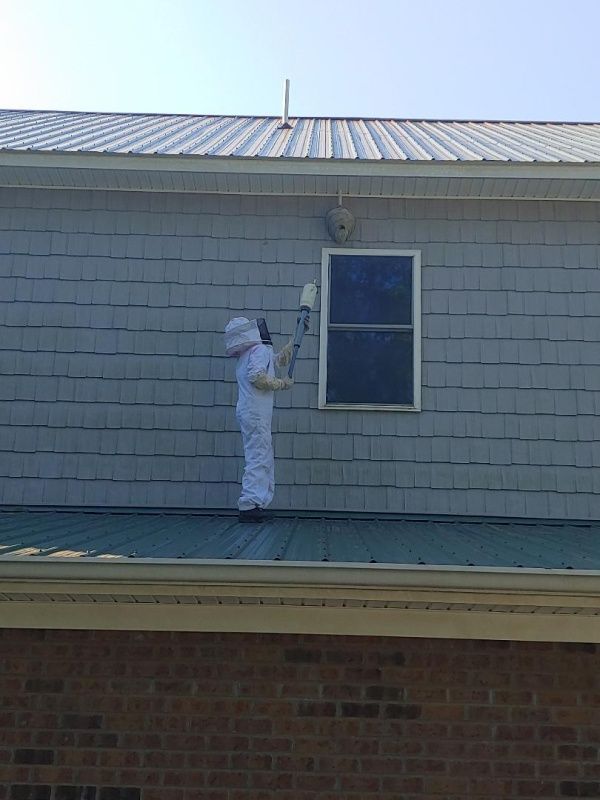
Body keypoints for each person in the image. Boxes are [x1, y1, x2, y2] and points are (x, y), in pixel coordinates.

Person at [224, 316, 295, 522]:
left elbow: (277, 360)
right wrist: (282, 384)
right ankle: (250, 505)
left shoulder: (248, 354)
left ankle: (257, 503)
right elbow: (258, 377)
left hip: (250, 412)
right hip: (255, 413)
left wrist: (293, 344)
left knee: (260, 454)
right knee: (258, 456)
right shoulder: (258, 351)